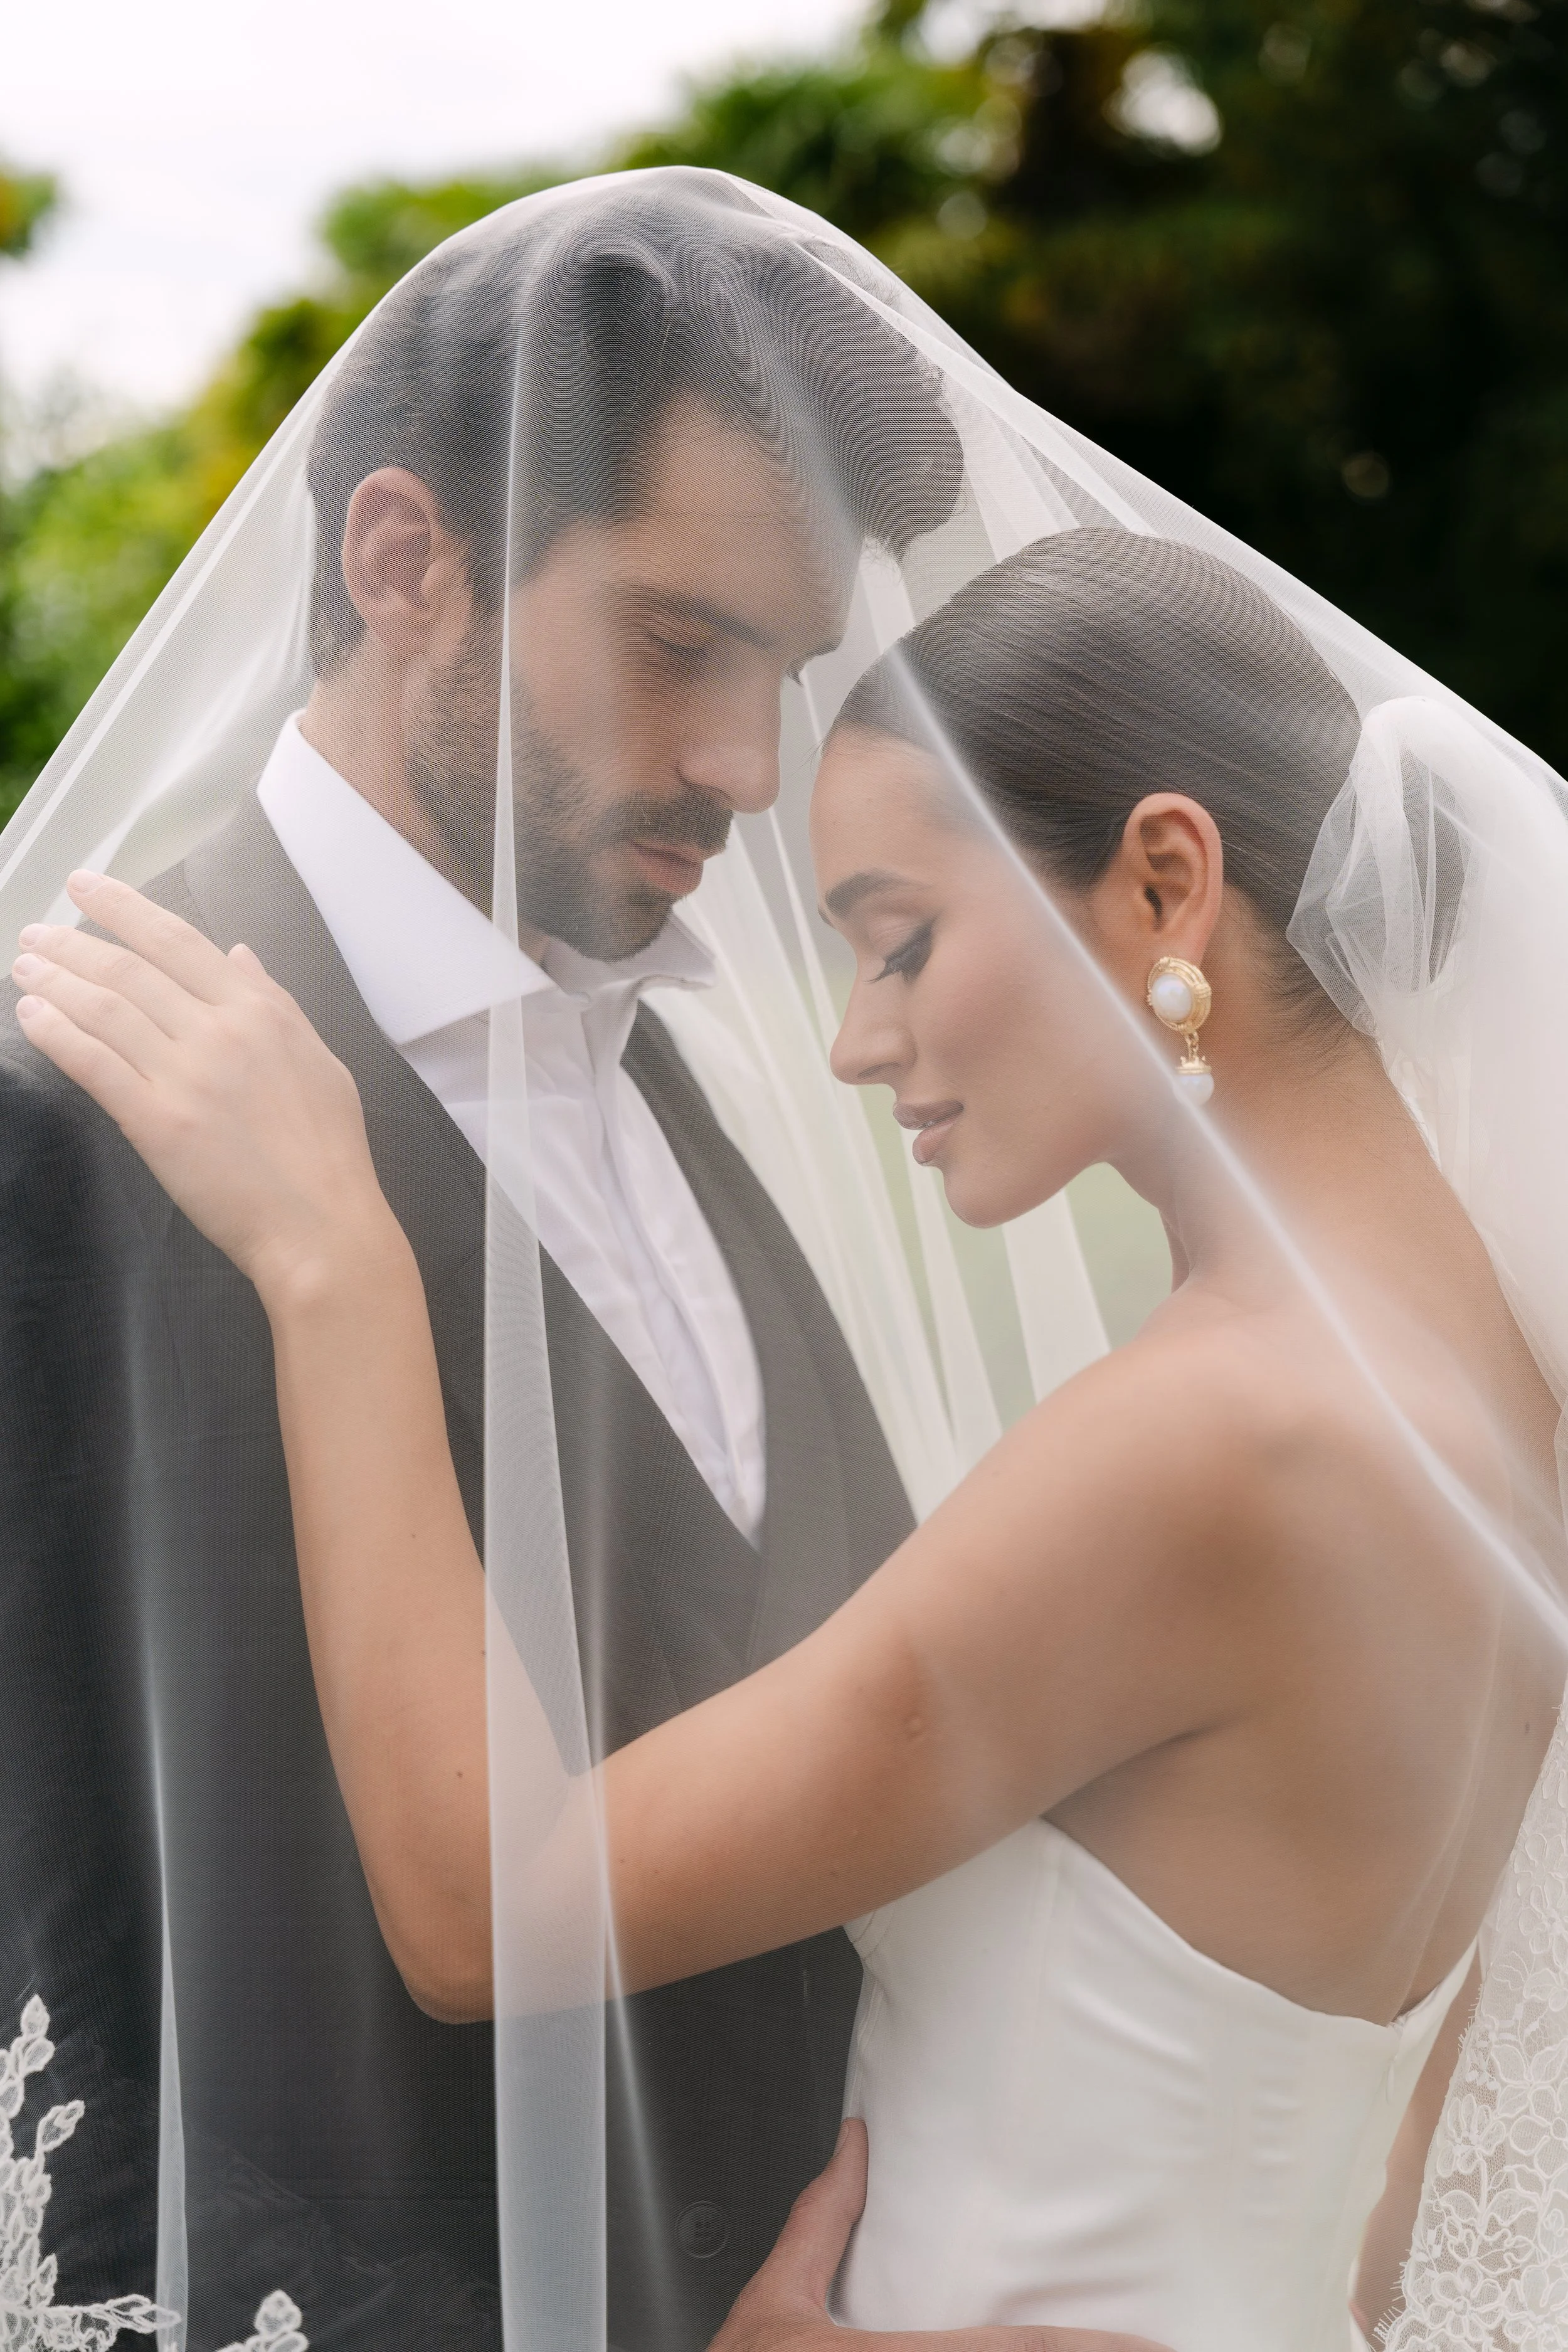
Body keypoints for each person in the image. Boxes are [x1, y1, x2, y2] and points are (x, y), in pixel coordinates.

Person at [19, 526, 1565, 2352]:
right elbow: (1370, 2217)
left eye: (900, 943)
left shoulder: (1216, 1441)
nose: (851, 1039)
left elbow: (488, 1907)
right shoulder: (1497, 1415)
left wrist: (332, 1251)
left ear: (1163, 882)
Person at [0, 172, 1034, 2352]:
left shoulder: (695, 1090)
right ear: (403, 567)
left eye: (779, 664)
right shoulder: (57, 1110)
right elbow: (50, 1982)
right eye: (679, 646)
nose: (744, 767)